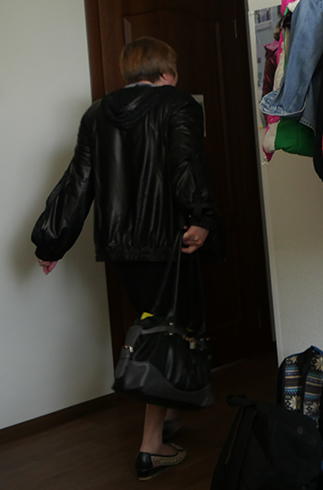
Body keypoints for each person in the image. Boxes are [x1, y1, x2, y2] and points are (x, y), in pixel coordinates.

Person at [32, 37, 222, 481]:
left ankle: (171, 413)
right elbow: (186, 164)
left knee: (160, 324)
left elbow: (78, 180)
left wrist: (51, 240)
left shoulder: (97, 112)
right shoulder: (177, 104)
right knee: (165, 333)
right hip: (171, 242)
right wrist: (202, 217)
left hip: (120, 247)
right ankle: (151, 446)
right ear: (167, 70)